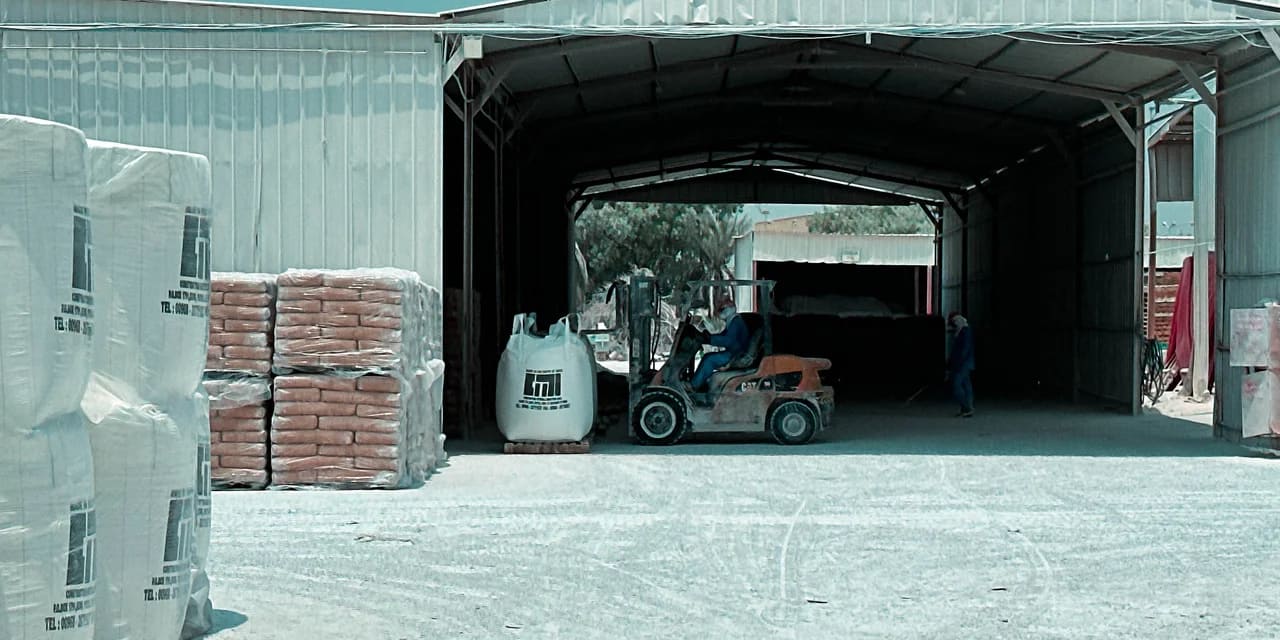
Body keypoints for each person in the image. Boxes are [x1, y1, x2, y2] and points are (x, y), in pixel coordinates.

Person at [690, 296, 750, 392]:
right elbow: (724, 336)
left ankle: (693, 386)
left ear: (729, 309)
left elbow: (728, 341)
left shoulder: (736, 322)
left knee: (710, 359)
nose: (720, 312)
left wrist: (710, 339)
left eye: (722, 309)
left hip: (735, 354)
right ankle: (698, 383)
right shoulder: (732, 321)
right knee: (707, 356)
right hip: (733, 352)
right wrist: (709, 337)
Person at [947, 312, 976, 418]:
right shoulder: (963, 329)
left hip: (963, 363)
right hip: (965, 363)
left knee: (957, 385)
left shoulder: (964, 331)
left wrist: (956, 362)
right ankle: (968, 407)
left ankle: (966, 407)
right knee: (966, 385)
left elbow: (964, 349)